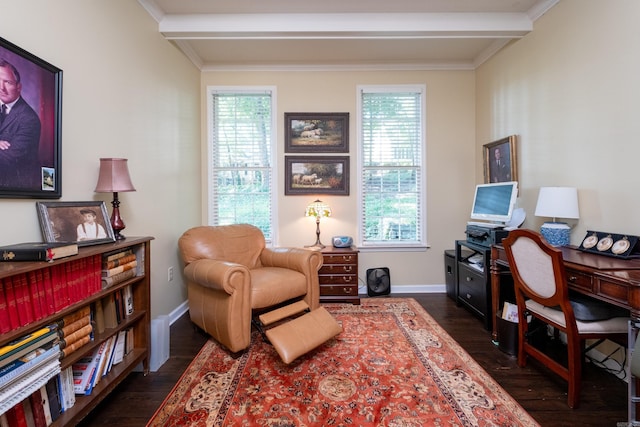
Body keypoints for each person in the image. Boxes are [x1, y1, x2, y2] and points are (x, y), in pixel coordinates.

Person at [0, 58, 42, 189]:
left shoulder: (30, 119)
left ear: (19, 87)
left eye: (7, 82)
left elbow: (7, 160)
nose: (1, 88)